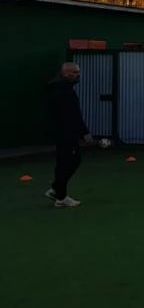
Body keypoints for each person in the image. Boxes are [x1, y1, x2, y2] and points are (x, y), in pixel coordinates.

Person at [44, 62, 92, 208]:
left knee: (64, 162)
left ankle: (56, 190)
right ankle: (61, 196)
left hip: (61, 131)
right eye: (75, 72)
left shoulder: (59, 88)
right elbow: (72, 115)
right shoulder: (63, 91)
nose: (78, 75)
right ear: (66, 73)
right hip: (65, 133)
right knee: (70, 161)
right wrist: (85, 133)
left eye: (78, 72)